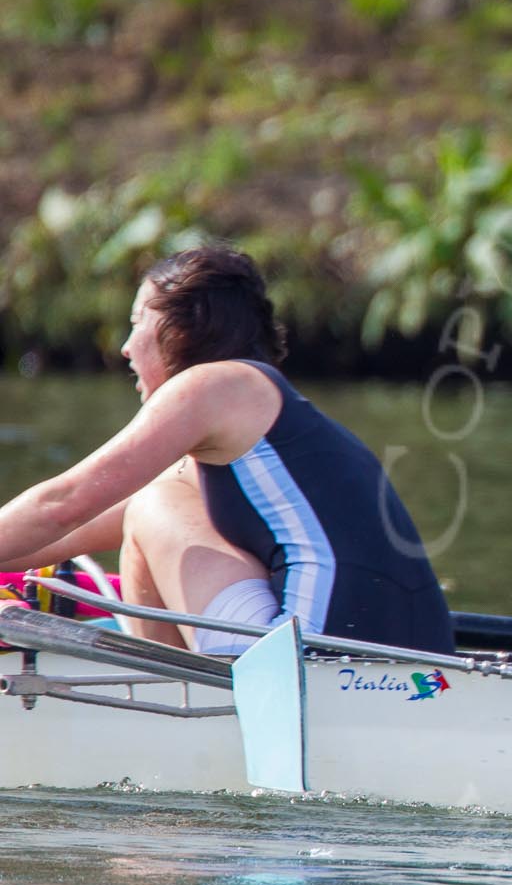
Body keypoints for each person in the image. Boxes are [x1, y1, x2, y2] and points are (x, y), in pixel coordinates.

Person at [0, 245, 454, 655]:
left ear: (183, 326)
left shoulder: (213, 385)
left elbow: (63, 504)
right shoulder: (249, 431)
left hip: (315, 660)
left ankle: (171, 711)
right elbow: (58, 535)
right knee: (148, 507)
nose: (125, 347)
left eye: (138, 323)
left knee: (147, 508)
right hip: (415, 657)